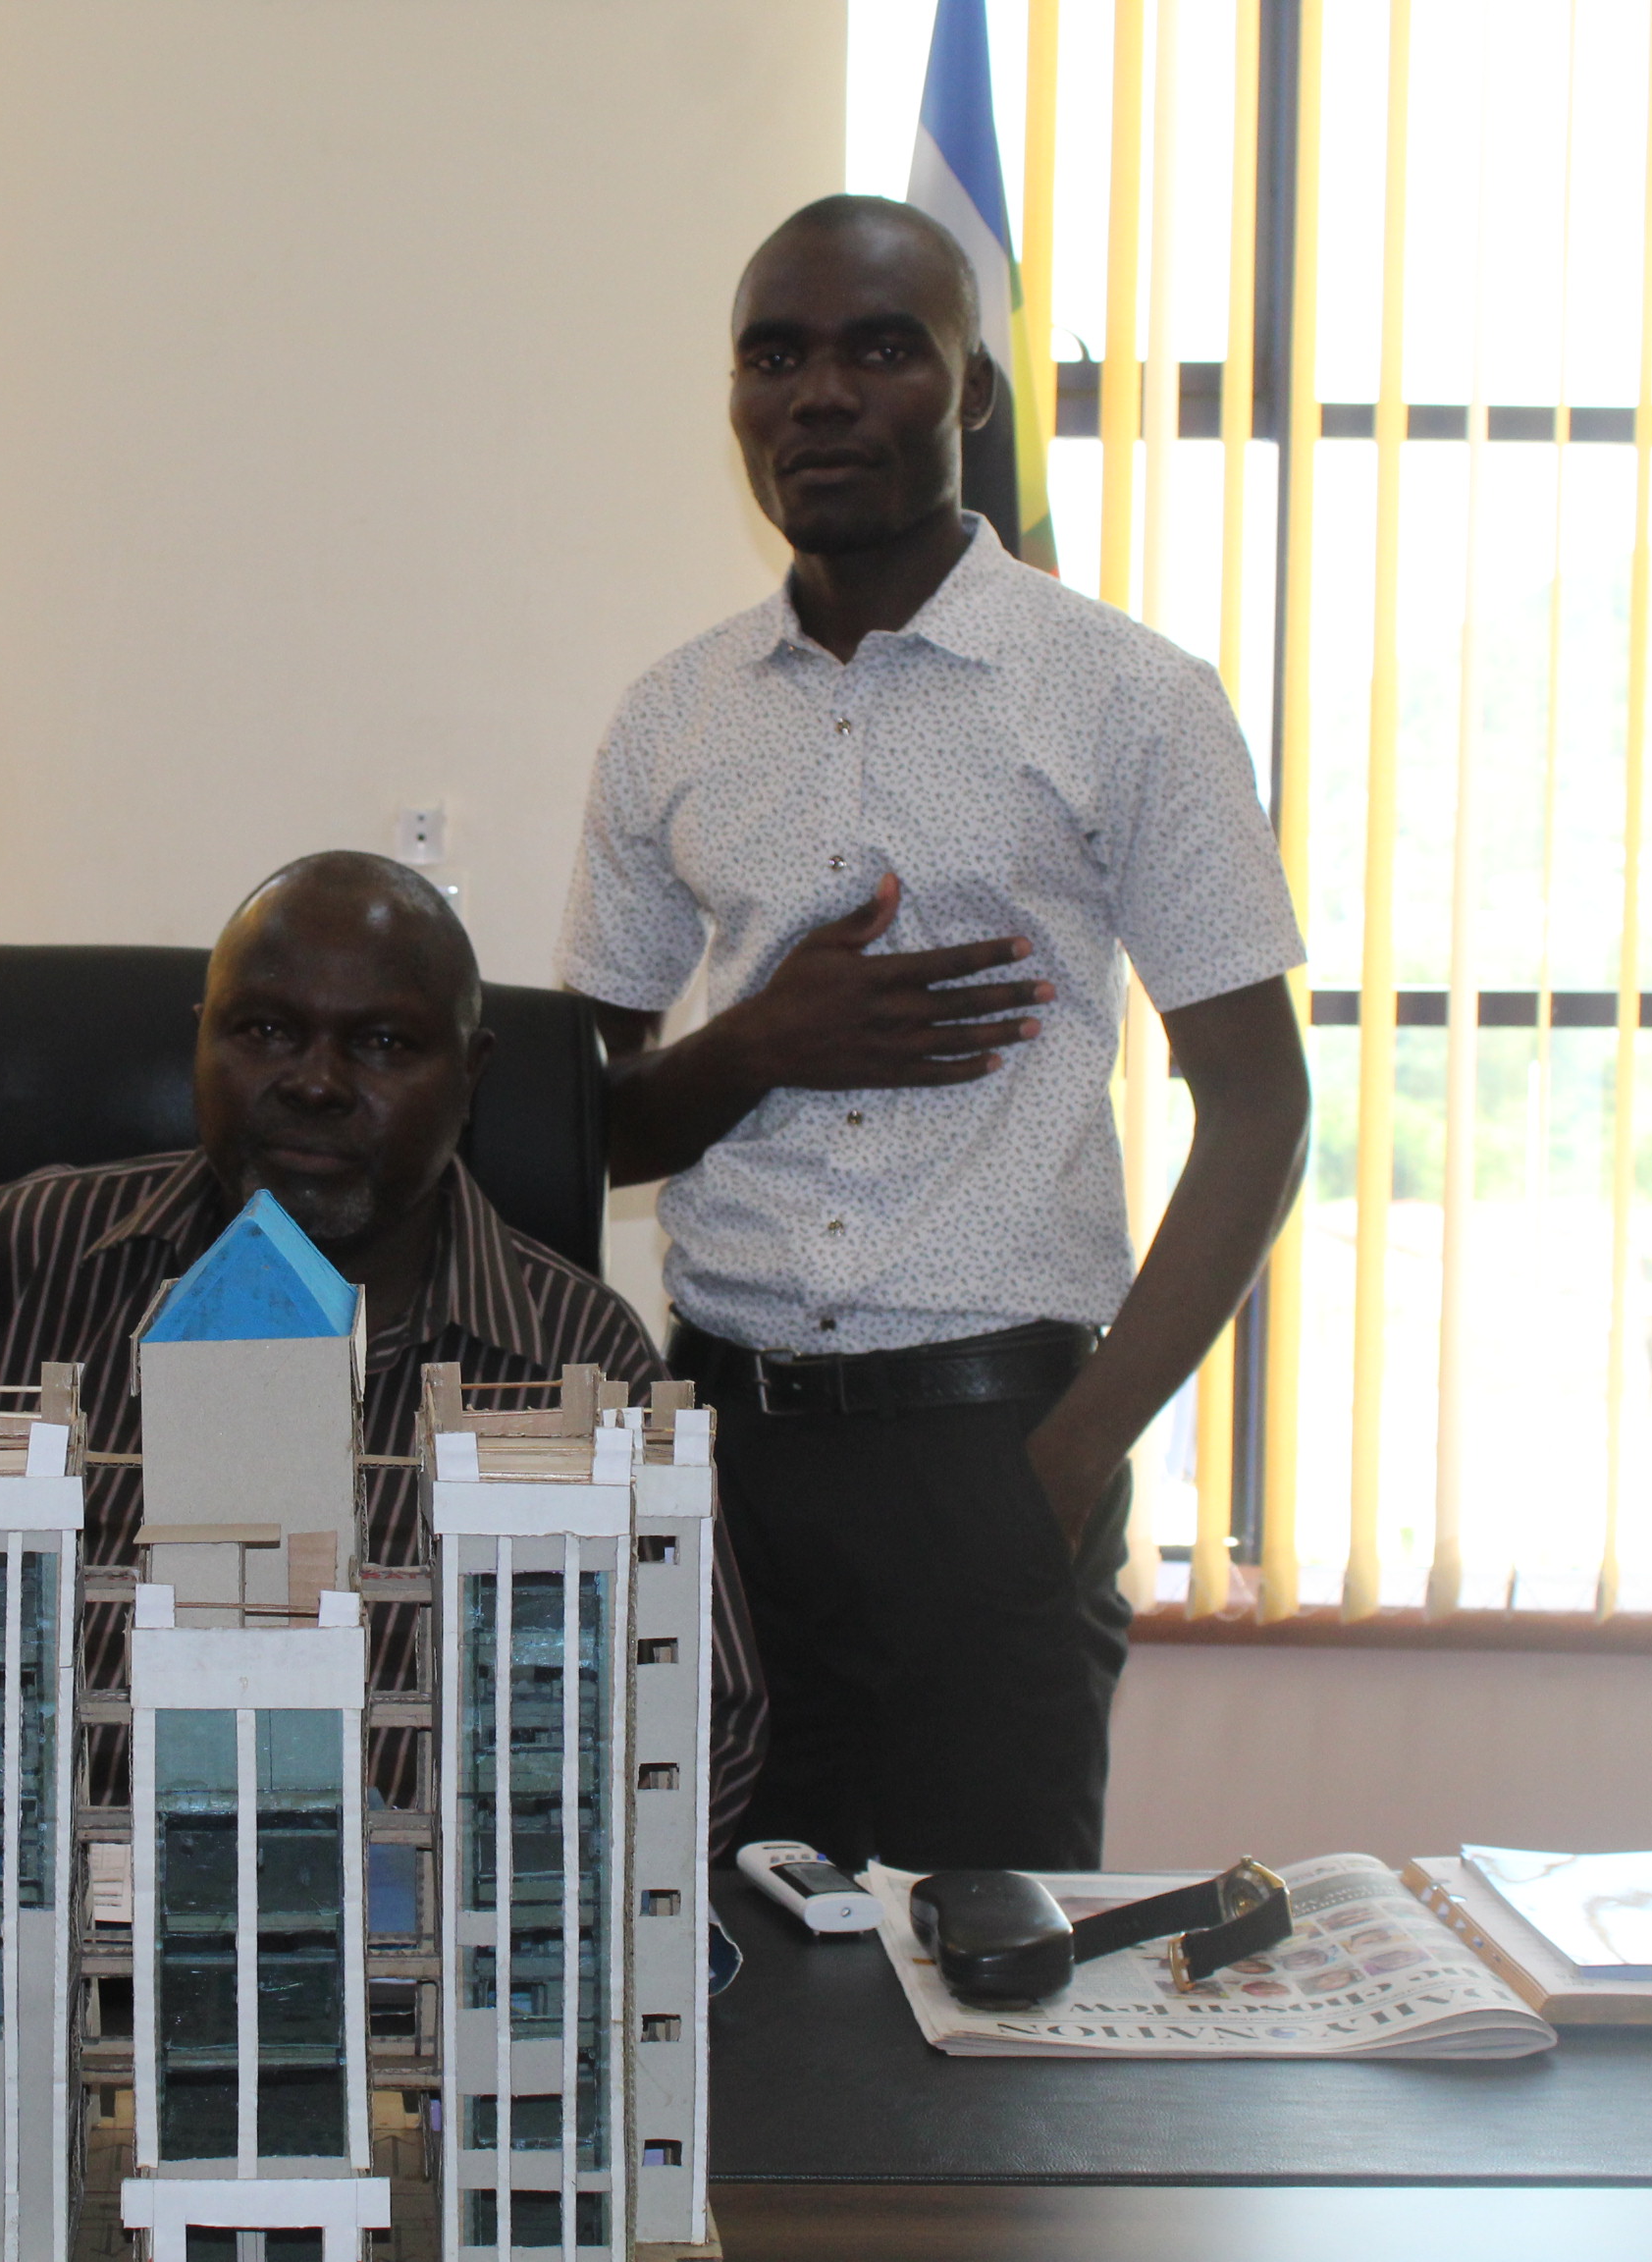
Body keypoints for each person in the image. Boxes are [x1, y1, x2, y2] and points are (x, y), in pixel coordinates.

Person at [555, 194, 1310, 1873]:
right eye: (775, 354)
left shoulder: (1128, 696)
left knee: (987, 2024)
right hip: (721, 1450)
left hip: (996, 1441)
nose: (819, 393)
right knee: (715, 1989)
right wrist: (754, 1043)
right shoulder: (670, 716)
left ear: (971, 392)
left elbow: (1259, 1110)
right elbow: (564, 1123)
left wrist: (1063, 1461)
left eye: (880, 348)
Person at [0, 851, 767, 1849]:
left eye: (382, 1043)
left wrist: (511, 1904)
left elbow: (706, 1715)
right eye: (264, 1031)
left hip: (390, 1973)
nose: (313, 1082)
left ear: (470, 1079)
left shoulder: (577, 1360)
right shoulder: (23, 1254)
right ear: (198, 1045)